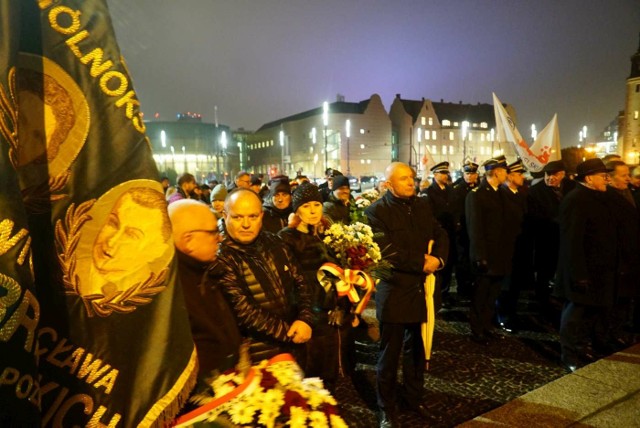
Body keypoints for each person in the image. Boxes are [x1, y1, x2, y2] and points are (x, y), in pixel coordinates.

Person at [365, 162, 448, 427]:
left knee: (416, 352)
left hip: (421, 291)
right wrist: (421, 262)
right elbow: (385, 251)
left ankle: (414, 399)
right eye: (403, 179)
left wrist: (439, 259)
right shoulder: (375, 211)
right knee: (389, 355)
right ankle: (386, 408)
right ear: (389, 184)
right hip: (395, 292)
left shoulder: (422, 205)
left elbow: (440, 232)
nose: (411, 182)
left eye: (411, 177)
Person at [209, 188, 314, 362]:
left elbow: (301, 282)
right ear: (225, 215)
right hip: (255, 357)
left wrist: (305, 318)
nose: (245, 224)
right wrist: (289, 332)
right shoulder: (220, 255)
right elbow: (243, 311)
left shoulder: (275, 242)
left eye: (252, 216)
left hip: (294, 347)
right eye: (237, 217)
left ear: (262, 215)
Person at [278, 183, 353, 392]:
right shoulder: (287, 238)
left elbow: (340, 272)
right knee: (308, 373)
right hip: (307, 313)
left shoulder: (329, 236)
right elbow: (290, 280)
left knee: (329, 371)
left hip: (330, 313)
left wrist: (342, 306)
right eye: (306, 206)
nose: (312, 211)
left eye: (317, 205)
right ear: (297, 209)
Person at [555, 158, 617, 372]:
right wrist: (578, 273)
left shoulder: (597, 196)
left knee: (589, 313)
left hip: (598, 269)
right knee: (574, 314)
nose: (606, 179)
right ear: (589, 178)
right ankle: (569, 354)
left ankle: (581, 348)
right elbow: (572, 240)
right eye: (602, 176)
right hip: (580, 270)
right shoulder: (576, 199)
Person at [168, 199, 241, 377]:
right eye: (213, 232)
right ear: (189, 240)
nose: (220, 237)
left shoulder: (203, 270)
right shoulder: (172, 291)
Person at [465, 156, 516, 345]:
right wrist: (479, 256)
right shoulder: (476, 195)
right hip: (485, 256)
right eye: (505, 171)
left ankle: (487, 326)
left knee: (492, 294)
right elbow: (475, 228)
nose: (507, 175)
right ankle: (476, 329)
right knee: (480, 295)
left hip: (500, 256)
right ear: (497, 172)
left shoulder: (501, 193)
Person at [89, 187, 171, 296]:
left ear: (156, 251)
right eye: (113, 223)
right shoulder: (68, 270)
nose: (111, 241)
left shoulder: (156, 294)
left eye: (131, 235)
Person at [603, 160, 639, 351]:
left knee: (625, 301)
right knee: (613, 301)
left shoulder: (630, 193)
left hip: (631, 258)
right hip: (616, 259)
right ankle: (606, 336)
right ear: (610, 177)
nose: (628, 179)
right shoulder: (606, 198)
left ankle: (616, 332)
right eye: (623, 175)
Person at [527, 159, 566, 317]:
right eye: (547, 175)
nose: (550, 178)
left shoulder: (570, 188)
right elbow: (534, 216)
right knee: (544, 273)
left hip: (565, 240)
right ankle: (542, 303)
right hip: (546, 240)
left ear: (563, 174)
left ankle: (559, 298)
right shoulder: (536, 191)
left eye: (554, 175)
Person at [495, 159, 529, 333]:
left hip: (520, 247)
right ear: (509, 176)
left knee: (515, 284)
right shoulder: (501, 194)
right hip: (506, 247)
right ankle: (502, 316)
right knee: (505, 286)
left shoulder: (522, 193)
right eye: (519, 174)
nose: (522, 177)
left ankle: (512, 313)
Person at [420, 161, 456, 309]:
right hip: (437, 234)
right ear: (435, 175)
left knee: (448, 264)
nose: (445, 176)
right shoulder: (429, 193)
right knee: (439, 265)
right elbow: (429, 215)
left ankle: (446, 292)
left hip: (451, 233)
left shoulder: (451, 190)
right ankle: (439, 293)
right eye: (442, 173)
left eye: (446, 173)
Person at [451, 161, 479, 299]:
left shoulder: (479, 188)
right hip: (462, 230)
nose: (470, 176)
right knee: (462, 261)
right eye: (467, 173)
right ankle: (462, 288)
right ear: (463, 174)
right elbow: (455, 210)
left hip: (474, 230)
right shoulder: (457, 188)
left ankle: (472, 286)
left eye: (472, 173)